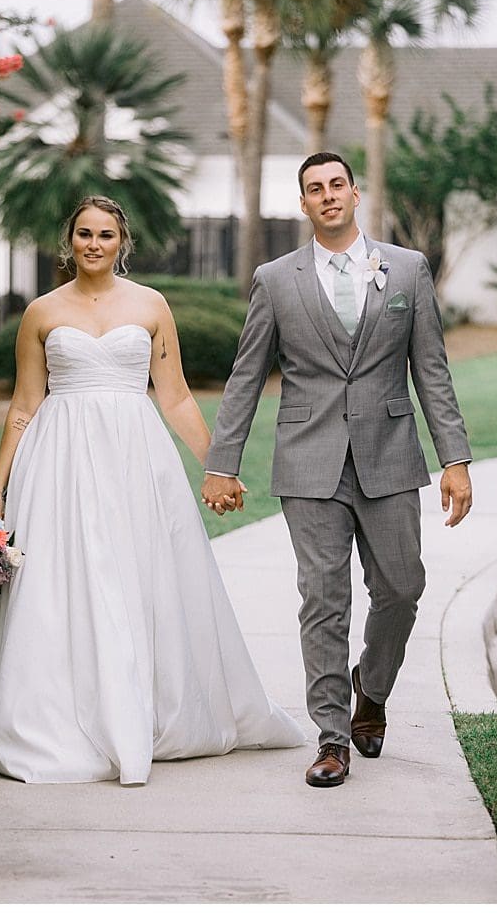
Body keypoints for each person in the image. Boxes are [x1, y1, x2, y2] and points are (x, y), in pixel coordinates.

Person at [0, 196, 308, 785]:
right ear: (69, 239)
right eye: (84, 233)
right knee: (67, 581)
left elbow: (176, 395)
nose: (94, 244)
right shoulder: (41, 312)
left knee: (140, 575)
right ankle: (63, 715)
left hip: (136, 457)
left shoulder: (152, 305)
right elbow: (25, 405)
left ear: (121, 242)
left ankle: (145, 708)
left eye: (106, 234)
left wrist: (220, 466)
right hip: (60, 461)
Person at [202, 152, 472, 787]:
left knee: (402, 588)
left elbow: (430, 367)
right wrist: (222, 464)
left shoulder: (406, 269)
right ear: (303, 205)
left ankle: (370, 692)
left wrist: (454, 459)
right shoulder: (276, 279)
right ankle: (331, 737)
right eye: (313, 190)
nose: (327, 196)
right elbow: (246, 378)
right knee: (324, 601)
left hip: (391, 457)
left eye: (336, 185)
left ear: (355, 193)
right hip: (308, 462)